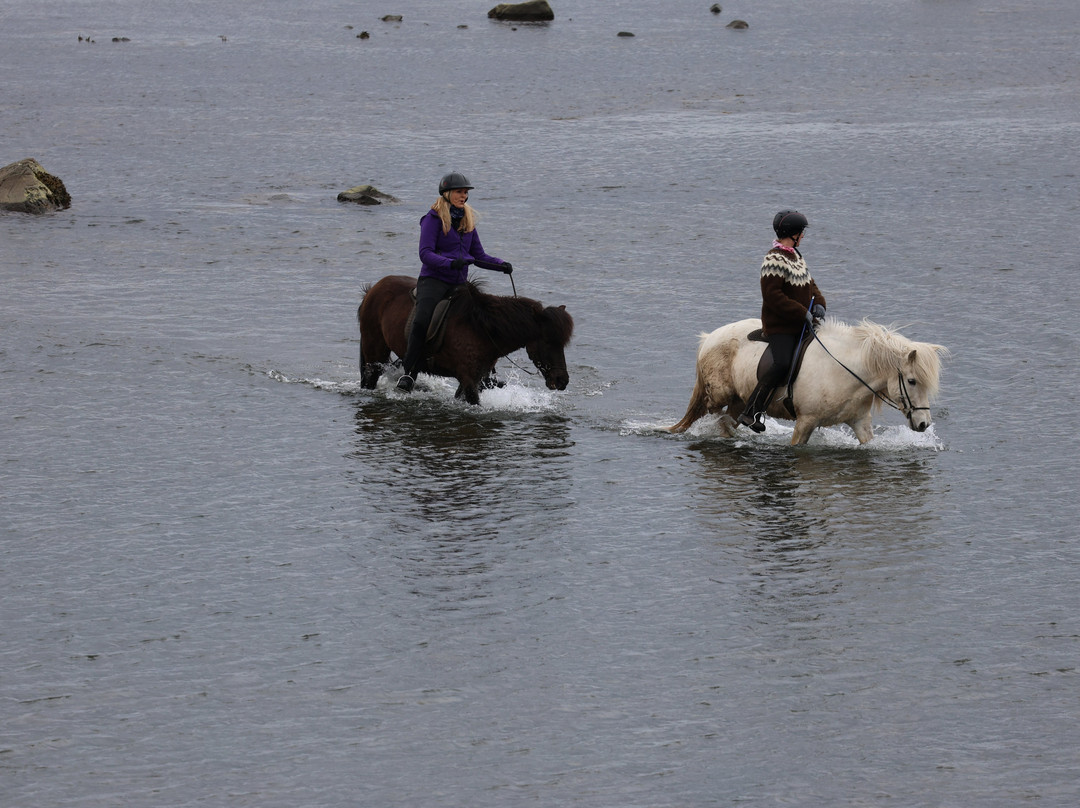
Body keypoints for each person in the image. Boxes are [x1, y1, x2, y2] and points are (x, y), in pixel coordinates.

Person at [397, 172, 513, 392]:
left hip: (459, 284)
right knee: (422, 320)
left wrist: (501, 265)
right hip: (434, 280)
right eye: (459, 192)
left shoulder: (468, 220)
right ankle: (409, 372)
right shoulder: (433, 219)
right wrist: (450, 263)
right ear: (447, 193)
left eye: (466, 192)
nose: (463, 196)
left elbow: (479, 255)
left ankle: (485, 374)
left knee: (481, 320)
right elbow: (425, 253)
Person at [737, 210, 827, 432]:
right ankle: (751, 412)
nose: (803, 236)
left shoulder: (796, 256)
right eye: (801, 232)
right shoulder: (773, 259)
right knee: (782, 364)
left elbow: (810, 285)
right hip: (781, 327)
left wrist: (819, 304)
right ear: (793, 233)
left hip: (802, 324)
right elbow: (773, 296)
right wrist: (800, 312)